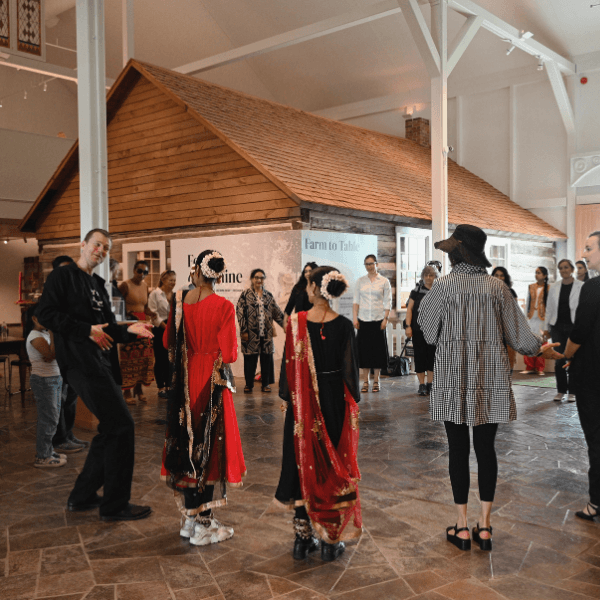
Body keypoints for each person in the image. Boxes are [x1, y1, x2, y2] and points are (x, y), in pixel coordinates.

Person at [418, 224, 561, 552]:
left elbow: (428, 331)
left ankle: (461, 527)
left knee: (457, 450)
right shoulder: (498, 288)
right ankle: (484, 527)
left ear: (458, 252)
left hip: (453, 378)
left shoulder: (443, 286)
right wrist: (542, 348)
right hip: (491, 378)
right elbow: (521, 337)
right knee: (486, 451)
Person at [37, 228, 154, 521]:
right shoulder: (63, 276)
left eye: (105, 248)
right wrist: (84, 330)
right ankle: (115, 505)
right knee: (122, 425)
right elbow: (46, 313)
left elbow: (105, 329)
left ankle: (82, 495)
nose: (100, 251)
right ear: (83, 245)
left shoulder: (99, 285)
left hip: (101, 363)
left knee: (112, 428)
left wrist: (129, 330)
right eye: (97, 244)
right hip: (79, 363)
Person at [275, 266, 361, 562]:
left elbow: (287, 370)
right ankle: (329, 540)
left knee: (302, 461)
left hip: (302, 403)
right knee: (330, 465)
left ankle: (302, 540)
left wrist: (290, 399)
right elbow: (351, 374)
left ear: (314, 288)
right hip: (332, 401)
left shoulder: (295, 323)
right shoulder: (345, 325)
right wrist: (352, 403)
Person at [162, 250, 245, 546]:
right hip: (211, 380)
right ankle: (203, 525)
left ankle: (189, 520)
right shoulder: (223, 306)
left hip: (186, 378)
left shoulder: (180, 302)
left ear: (195, 270)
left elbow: (168, 341)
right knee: (209, 450)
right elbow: (230, 353)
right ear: (219, 275)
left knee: (186, 444)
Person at [563, 232, 600, 522]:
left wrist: (565, 354)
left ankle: (596, 501)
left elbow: (580, 331)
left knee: (596, 439)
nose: (584, 254)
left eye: (588, 248)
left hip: (593, 376)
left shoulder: (593, 287)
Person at [49, 255, 88, 455]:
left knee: (71, 397)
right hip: (58, 354)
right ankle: (59, 439)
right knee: (59, 399)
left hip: (73, 353)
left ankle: (68, 434)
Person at [25, 304, 66, 468]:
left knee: (53, 418)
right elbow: (51, 354)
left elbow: (53, 355)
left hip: (54, 379)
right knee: (48, 419)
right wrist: (54, 334)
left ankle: (48, 451)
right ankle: (42, 457)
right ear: (34, 319)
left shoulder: (44, 334)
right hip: (44, 381)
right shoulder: (35, 335)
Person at [236, 268, 284, 393]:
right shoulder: (245, 295)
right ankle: (249, 384)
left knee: (266, 359)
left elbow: (277, 313)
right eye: (256, 277)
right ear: (252, 279)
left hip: (266, 334)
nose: (259, 280)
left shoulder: (268, 296)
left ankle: (265, 384)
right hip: (250, 334)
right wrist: (244, 330)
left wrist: (286, 325)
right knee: (250, 360)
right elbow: (240, 313)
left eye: (261, 277)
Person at [543, 259, 583, 402]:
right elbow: (549, 309)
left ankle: (573, 391)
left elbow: (584, 308)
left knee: (573, 359)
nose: (563, 270)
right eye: (560, 268)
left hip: (574, 327)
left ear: (572, 269)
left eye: (566, 267)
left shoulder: (581, 286)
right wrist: (546, 328)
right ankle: (561, 390)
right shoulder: (554, 287)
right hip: (557, 327)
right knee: (559, 359)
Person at [118, 260, 157, 404]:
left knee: (144, 358)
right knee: (129, 358)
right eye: (139, 271)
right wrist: (128, 314)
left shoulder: (145, 286)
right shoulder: (125, 285)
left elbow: (144, 306)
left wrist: (151, 313)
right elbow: (118, 306)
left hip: (143, 324)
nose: (142, 274)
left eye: (145, 272)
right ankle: (127, 391)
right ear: (134, 270)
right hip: (130, 324)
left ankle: (139, 389)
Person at [353, 254, 392, 393]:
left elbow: (388, 301)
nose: (369, 266)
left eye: (371, 263)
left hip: (378, 320)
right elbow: (356, 301)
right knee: (364, 352)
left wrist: (386, 318)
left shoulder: (384, 281)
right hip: (363, 320)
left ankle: (376, 381)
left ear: (377, 264)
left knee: (377, 352)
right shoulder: (360, 281)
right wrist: (355, 318)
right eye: (366, 264)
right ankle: (365, 381)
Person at [405, 264, 438, 396]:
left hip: (434, 330)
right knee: (420, 357)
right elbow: (409, 309)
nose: (428, 277)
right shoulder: (416, 291)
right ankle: (422, 384)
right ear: (423, 276)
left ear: (435, 276)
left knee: (432, 357)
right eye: (426, 275)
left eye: (431, 275)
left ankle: (430, 383)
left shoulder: (440, 291)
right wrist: (408, 326)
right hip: (418, 330)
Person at [148, 270, 176, 399]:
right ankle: (161, 387)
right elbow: (153, 314)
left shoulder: (175, 295)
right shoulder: (155, 294)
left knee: (170, 358)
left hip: (171, 327)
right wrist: (165, 327)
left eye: (174, 280)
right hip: (160, 328)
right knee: (160, 358)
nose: (173, 283)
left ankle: (169, 385)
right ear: (163, 280)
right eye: (171, 280)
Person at [522, 266, 550, 375]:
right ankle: (529, 366)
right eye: (536, 272)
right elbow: (528, 301)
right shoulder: (531, 287)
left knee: (542, 342)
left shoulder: (549, 288)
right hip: (531, 317)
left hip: (542, 319)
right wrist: (525, 317)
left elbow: (551, 305)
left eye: (539, 273)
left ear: (545, 275)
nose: (536, 275)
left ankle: (540, 367)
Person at [491, 267, 518, 373]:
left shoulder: (511, 292)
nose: (499, 277)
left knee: (508, 357)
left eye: (501, 275)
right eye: (496, 275)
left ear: (505, 277)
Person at [283, 262, 318, 330]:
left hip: (315, 323)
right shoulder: (298, 287)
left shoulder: (319, 288)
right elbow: (290, 305)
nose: (308, 273)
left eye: (310, 271)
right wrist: (284, 322)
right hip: (299, 322)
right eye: (306, 272)